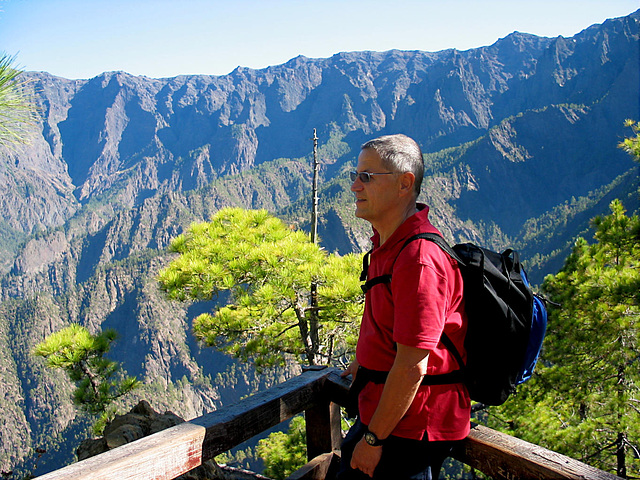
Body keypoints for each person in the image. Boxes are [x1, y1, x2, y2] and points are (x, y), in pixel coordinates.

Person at [337, 134, 470, 480]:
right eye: (355, 175)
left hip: (409, 431)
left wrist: (373, 439)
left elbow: (412, 366)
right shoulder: (390, 245)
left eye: (366, 176)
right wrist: (366, 359)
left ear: (404, 184)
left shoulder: (419, 260)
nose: (354, 186)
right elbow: (397, 331)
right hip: (389, 418)